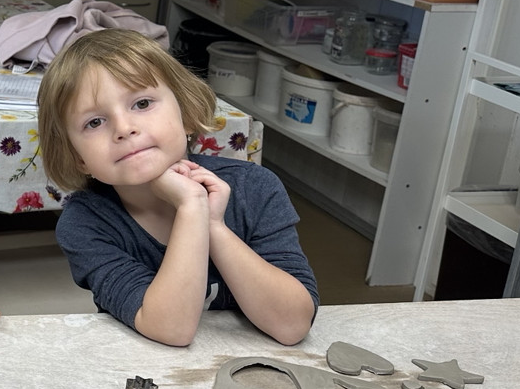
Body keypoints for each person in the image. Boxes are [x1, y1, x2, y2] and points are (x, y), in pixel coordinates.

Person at [39, 29, 317, 347]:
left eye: (142, 103)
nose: (124, 128)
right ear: (79, 158)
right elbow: (171, 330)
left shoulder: (254, 188)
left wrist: (213, 226)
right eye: (95, 122)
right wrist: (192, 207)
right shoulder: (85, 223)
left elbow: (292, 325)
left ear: (185, 114)